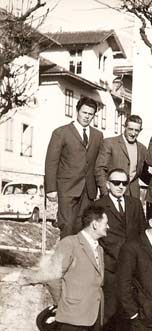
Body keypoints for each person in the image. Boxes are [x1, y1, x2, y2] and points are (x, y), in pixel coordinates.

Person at [94, 168, 146, 331]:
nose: (120, 187)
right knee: (110, 316)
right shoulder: (100, 205)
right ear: (107, 184)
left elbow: (140, 232)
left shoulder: (135, 204)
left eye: (124, 183)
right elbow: (102, 238)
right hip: (112, 268)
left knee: (127, 317)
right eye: (116, 183)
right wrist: (125, 255)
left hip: (132, 270)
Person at [45, 96, 103, 238]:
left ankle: (79, 259)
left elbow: (98, 163)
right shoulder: (61, 133)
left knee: (84, 229)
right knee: (67, 226)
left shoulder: (98, 135)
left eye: (90, 114)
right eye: (84, 113)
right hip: (67, 188)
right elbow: (51, 162)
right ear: (77, 111)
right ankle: (65, 259)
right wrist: (51, 188)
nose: (87, 117)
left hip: (88, 190)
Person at [95, 114, 148, 199]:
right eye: (130, 129)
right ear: (125, 127)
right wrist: (105, 192)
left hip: (133, 197)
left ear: (140, 130)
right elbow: (100, 169)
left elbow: (143, 174)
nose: (133, 133)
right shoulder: (109, 143)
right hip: (112, 194)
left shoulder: (142, 149)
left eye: (136, 130)